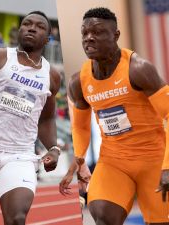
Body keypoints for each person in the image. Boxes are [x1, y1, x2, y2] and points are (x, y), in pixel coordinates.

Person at [59, 7, 169, 225]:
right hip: (114, 161)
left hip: (153, 160)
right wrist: (80, 159)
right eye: (84, 33)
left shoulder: (138, 69)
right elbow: (80, 127)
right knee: (102, 213)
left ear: (116, 35)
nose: (89, 38)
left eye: (97, 32)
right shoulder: (78, 82)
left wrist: (167, 166)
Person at [0, 11, 61, 225]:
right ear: (19, 30)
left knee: (17, 218)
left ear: (47, 38)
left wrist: (54, 148)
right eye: (26, 24)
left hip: (18, 155)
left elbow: (45, 119)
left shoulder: (52, 76)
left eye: (39, 26)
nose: (31, 28)